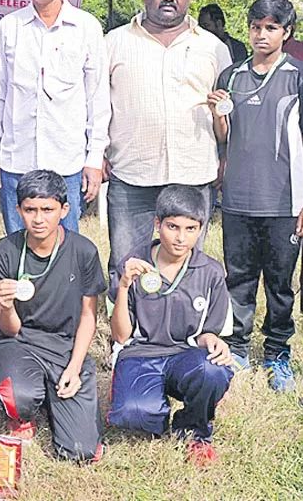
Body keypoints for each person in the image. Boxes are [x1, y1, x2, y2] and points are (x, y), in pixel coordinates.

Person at [207, 0, 303, 387]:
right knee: (237, 278)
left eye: (271, 28)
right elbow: (224, 137)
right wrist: (217, 113)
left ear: (286, 33)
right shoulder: (232, 76)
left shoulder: (301, 76)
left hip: (283, 201)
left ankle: (277, 353)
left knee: (278, 281)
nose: (261, 34)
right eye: (256, 27)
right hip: (238, 198)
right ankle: (237, 348)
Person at [105, 0, 232, 280]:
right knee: (126, 261)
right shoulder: (115, 42)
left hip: (192, 172)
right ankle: (127, 327)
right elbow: (96, 103)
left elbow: (229, 113)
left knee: (187, 264)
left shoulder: (213, 48)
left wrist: (226, 156)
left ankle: (183, 325)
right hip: (131, 171)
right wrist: (98, 153)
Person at [0, 0, 110, 234]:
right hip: (16, 161)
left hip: (68, 163)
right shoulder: (9, 27)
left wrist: (94, 159)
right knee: (18, 246)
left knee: (66, 250)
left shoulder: (87, 27)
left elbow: (98, 100)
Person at [0, 170, 106, 462]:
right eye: (30, 210)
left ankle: (57, 399)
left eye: (47, 210)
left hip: (64, 345)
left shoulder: (83, 251)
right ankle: (24, 414)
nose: (39, 219)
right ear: (18, 210)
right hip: (19, 342)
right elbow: (10, 329)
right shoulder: (6, 251)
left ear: (64, 210)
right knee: (19, 399)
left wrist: (75, 367)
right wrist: (4, 306)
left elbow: (88, 316)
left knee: (80, 451)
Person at [109, 185, 233, 466]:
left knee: (213, 370)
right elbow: (120, 335)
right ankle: (149, 402)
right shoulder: (132, 264)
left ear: (201, 228)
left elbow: (207, 333)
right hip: (140, 355)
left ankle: (195, 430)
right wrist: (124, 286)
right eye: (173, 227)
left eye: (191, 228)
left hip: (184, 355)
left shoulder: (211, 272)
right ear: (157, 224)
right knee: (134, 413)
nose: (180, 238)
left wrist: (214, 341)